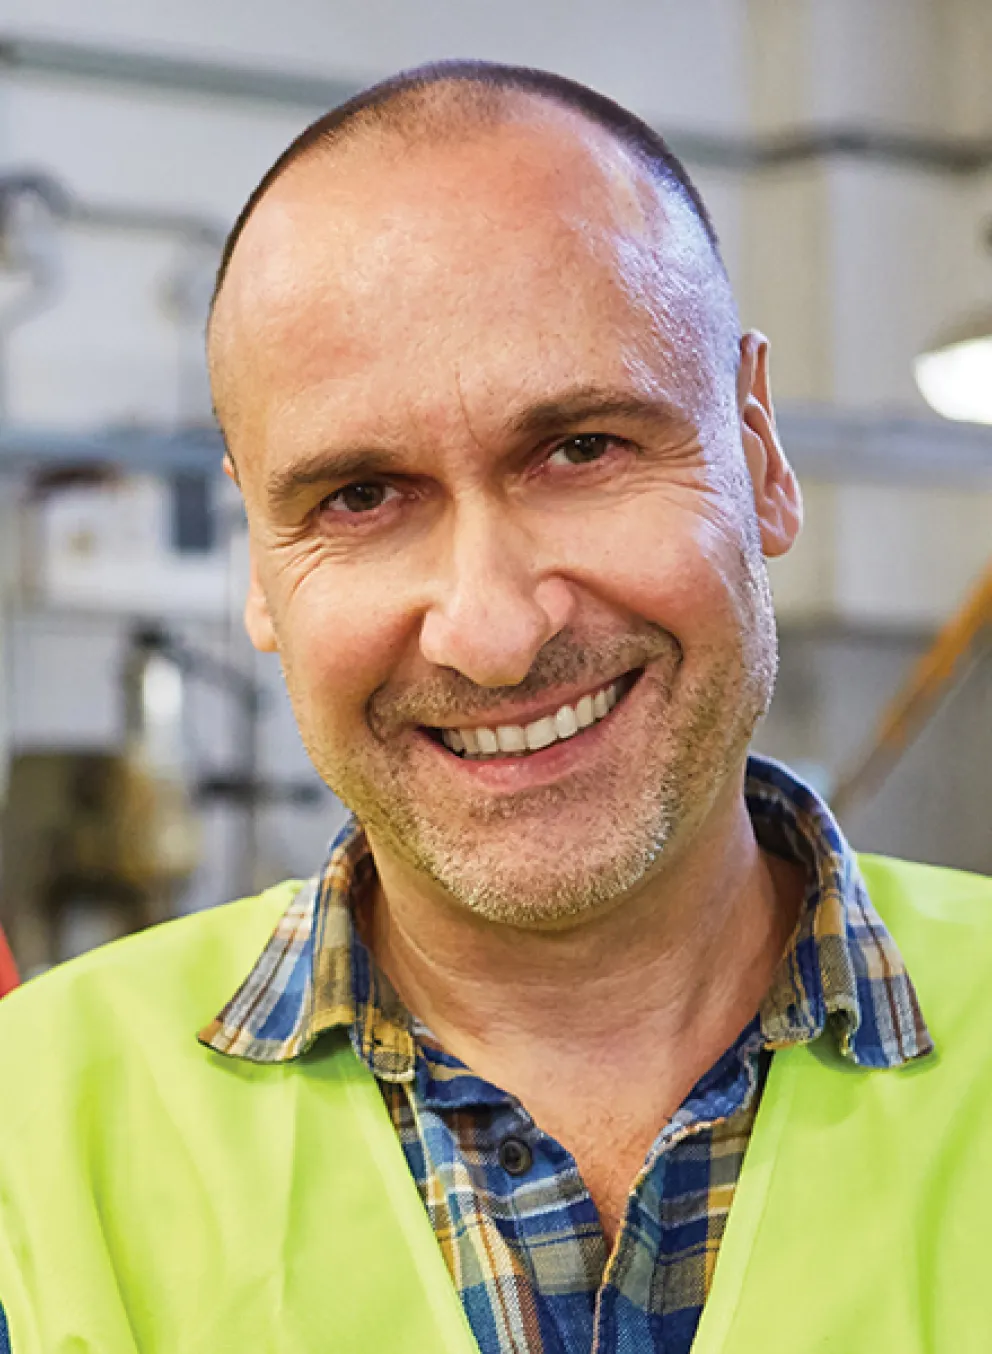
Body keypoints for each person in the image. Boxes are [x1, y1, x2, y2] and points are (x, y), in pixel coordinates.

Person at [0, 60, 989, 1354]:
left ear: (758, 453)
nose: (495, 630)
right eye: (360, 495)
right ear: (259, 558)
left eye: (582, 448)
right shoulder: (30, 1130)